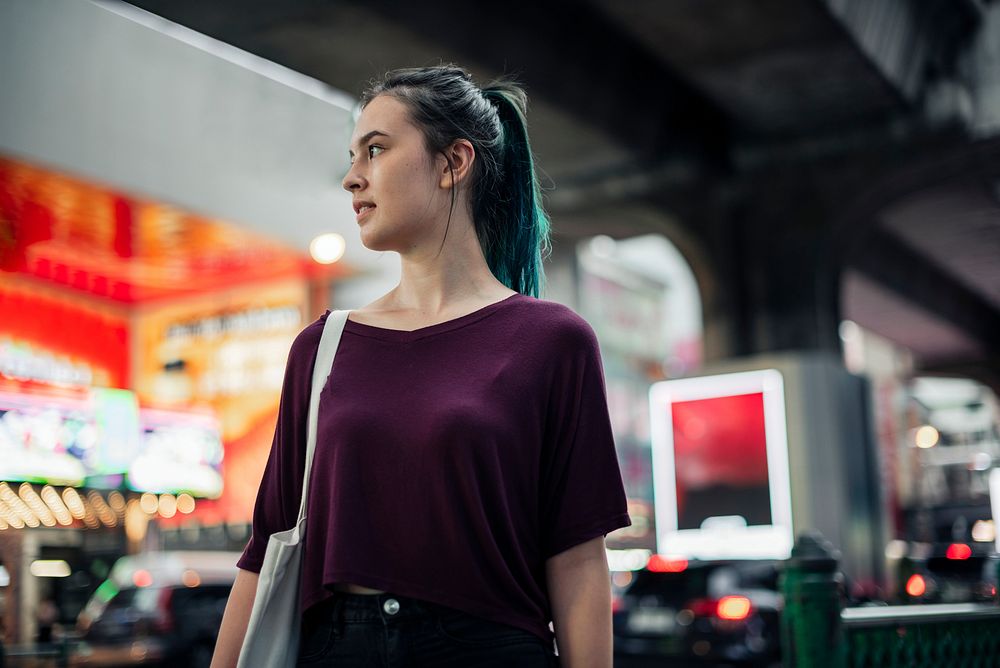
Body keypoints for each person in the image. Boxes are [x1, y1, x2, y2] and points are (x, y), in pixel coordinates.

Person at [211, 64, 631, 668]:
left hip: (490, 651)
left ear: (453, 162)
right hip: (337, 649)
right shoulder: (322, 346)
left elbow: (578, 559)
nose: (352, 179)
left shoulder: (552, 341)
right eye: (352, 157)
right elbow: (265, 549)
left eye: (376, 150)